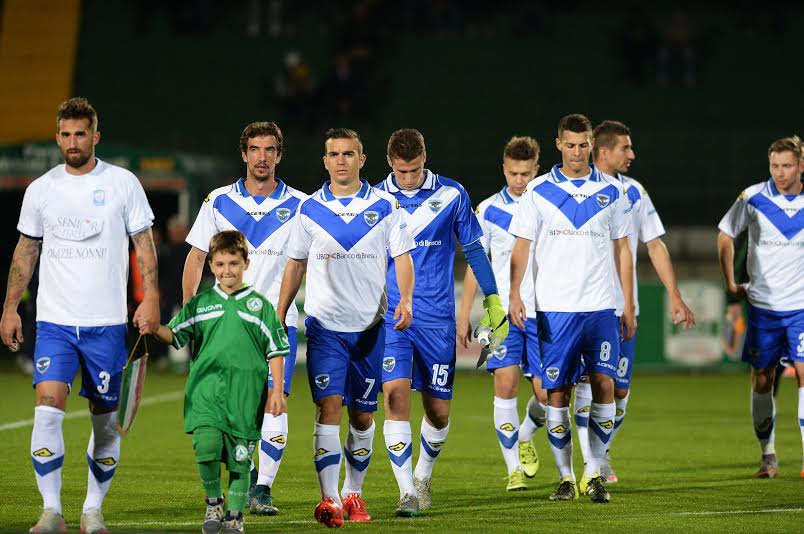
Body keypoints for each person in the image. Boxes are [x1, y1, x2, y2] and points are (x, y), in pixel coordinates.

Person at [0, 97, 160, 534]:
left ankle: (93, 509)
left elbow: (144, 246)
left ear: (95, 136)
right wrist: (10, 307)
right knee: (48, 405)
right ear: (57, 137)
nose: (73, 142)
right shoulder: (42, 189)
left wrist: (150, 300)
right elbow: (26, 250)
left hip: (106, 324)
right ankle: (51, 511)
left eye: (81, 134)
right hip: (54, 323)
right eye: (66, 135)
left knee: (105, 419)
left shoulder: (123, 183)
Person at [276, 128, 415, 527]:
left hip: (371, 328)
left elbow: (402, 258)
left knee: (362, 416)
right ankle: (330, 499)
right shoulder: (308, 210)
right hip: (325, 328)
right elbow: (295, 264)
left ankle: (354, 492)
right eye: (334, 154)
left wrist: (404, 298)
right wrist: (280, 310)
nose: (341, 160)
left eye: (348, 153)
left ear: (361, 158)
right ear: (325, 161)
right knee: (329, 406)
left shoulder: (386, 207)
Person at [376, 129, 508, 513]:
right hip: (393, 318)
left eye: (414, 170)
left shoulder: (452, 194)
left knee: (438, 412)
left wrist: (494, 299)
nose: (408, 178)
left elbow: (473, 250)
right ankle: (406, 493)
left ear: (424, 159)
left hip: (437, 320)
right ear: (389, 163)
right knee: (395, 395)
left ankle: (423, 475)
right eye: (401, 172)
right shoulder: (374, 199)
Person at [508, 113, 637, 504]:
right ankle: (565, 477)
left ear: (591, 147)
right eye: (571, 144)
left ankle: (593, 472)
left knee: (605, 388)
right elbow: (521, 247)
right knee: (557, 395)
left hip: (600, 307)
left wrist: (627, 303)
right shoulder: (538, 191)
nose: (577, 152)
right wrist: (515, 294)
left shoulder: (613, 192)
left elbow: (623, 249)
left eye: (583, 145)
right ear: (559, 144)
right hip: (554, 309)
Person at [182, 121, 306, 515]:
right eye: (255, 149)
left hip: (275, 322)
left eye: (270, 149)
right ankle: (242, 477)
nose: (262, 157)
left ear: (279, 154)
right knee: (225, 414)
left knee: (274, 403)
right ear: (244, 154)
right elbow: (196, 258)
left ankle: (262, 489)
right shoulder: (218, 201)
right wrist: (193, 315)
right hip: (223, 327)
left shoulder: (302, 205)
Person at [574, 120, 694, 483]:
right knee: (584, 385)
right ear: (604, 150)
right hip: (583, 305)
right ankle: (590, 465)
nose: (632, 154)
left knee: (619, 389)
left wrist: (674, 294)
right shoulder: (576, 189)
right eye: (625, 148)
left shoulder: (635, 192)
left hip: (625, 307)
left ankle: (601, 452)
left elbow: (653, 242)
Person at [150, 230, 288, 534]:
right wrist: (153, 326)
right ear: (211, 265)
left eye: (234, 263)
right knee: (206, 446)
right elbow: (174, 335)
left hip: (245, 396)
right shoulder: (201, 305)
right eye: (221, 263)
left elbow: (276, 350)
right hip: (206, 392)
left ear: (246, 264)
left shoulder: (260, 306)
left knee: (240, 460)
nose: (228, 270)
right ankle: (214, 501)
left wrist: (276, 390)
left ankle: (235, 515)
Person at [456, 135, 547, 491]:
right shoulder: (489, 209)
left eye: (526, 173)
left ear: (536, 169)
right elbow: (476, 265)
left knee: (546, 396)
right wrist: (464, 312)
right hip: (505, 317)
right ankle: (512, 470)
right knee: (505, 385)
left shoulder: (547, 204)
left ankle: (525, 436)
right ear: (504, 169)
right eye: (513, 173)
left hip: (544, 312)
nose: (520, 181)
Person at [717, 135, 804, 479]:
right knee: (762, 380)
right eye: (774, 166)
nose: (780, 173)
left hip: (801, 308)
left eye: (786, 166)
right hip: (763, 308)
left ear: (801, 166)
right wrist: (728, 283)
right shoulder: (752, 198)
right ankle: (768, 456)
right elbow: (725, 235)